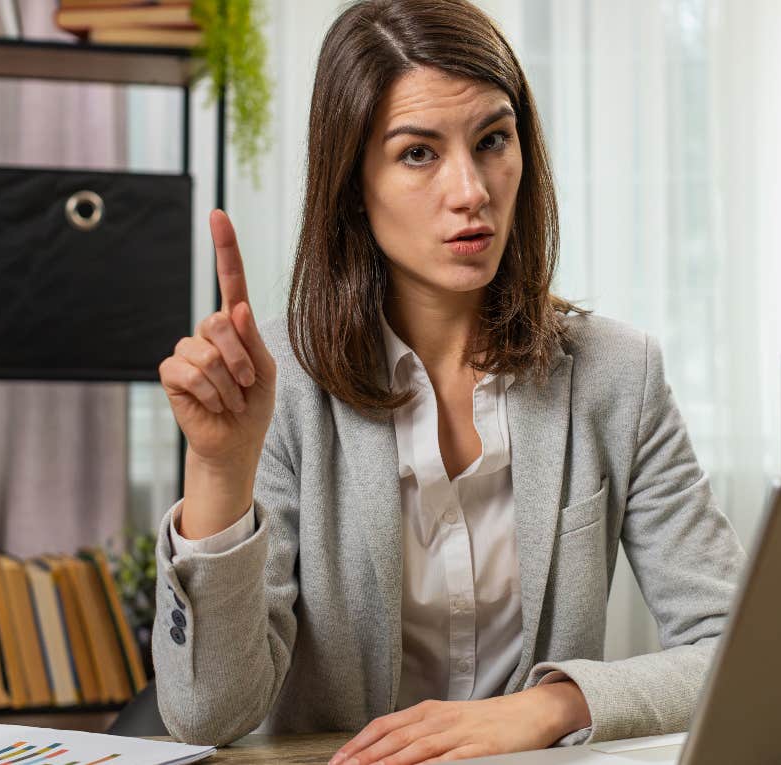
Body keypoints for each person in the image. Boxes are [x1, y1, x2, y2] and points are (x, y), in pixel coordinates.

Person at [152, 0, 744, 762]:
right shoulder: (280, 386)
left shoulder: (617, 374)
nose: (471, 190)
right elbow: (208, 715)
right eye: (418, 153)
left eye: (493, 140)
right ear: (351, 184)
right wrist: (218, 472)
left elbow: (732, 646)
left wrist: (551, 705)